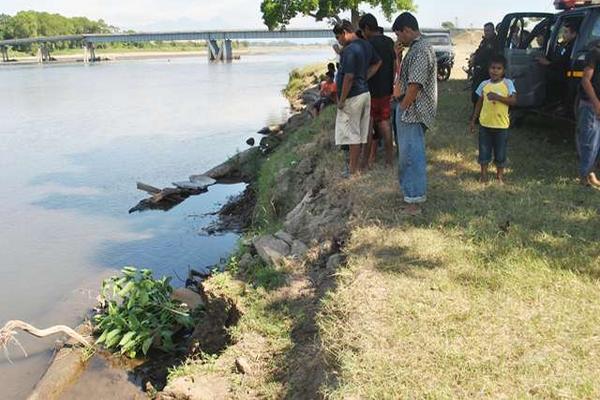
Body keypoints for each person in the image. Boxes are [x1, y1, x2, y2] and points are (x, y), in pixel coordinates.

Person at [393, 12, 438, 215]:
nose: (398, 39)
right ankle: (409, 195)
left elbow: (414, 85)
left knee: (411, 155)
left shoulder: (420, 50)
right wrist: (398, 57)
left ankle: (413, 203)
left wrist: (403, 107)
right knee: (406, 154)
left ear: (408, 30)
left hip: (412, 112)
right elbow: (404, 76)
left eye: (400, 34)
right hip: (409, 110)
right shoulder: (417, 48)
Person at [333, 20, 382, 176]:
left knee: (352, 134)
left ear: (345, 33)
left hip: (352, 97)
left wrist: (341, 100)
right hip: (365, 93)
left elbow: (348, 77)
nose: (338, 41)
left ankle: (353, 170)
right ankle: (362, 165)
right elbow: (378, 62)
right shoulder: (365, 45)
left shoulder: (349, 50)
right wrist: (365, 77)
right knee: (362, 131)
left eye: (338, 37)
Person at [470, 54, 517, 183]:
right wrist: (474, 119)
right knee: (484, 151)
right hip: (485, 125)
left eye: (498, 68)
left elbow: (513, 101)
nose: (495, 71)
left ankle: (499, 176)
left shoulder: (508, 84)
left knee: (500, 153)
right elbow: (479, 103)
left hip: (501, 126)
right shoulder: (484, 84)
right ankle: (483, 175)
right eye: (492, 68)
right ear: (488, 69)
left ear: (504, 70)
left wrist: (498, 97)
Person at [359, 13, 396, 167]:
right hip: (386, 90)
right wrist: (391, 84)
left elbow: (366, 67)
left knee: (368, 125)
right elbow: (395, 64)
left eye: (362, 30)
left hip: (371, 91)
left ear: (367, 28)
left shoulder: (367, 44)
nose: (362, 33)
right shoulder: (389, 41)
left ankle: (364, 163)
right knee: (385, 123)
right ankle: (389, 160)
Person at [576, 41, 600, 187]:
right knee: (589, 143)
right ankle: (584, 175)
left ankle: (590, 173)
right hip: (591, 104)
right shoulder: (595, 53)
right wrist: (596, 103)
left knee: (597, 144)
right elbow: (586, 80)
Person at [537, 21, 578, 103]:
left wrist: (548, 63)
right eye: (563, 32)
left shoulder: (574, 46)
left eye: (566, 32)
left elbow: (564, 62)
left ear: (574, 34)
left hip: (565, 77)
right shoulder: (567, 44)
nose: (563, 35)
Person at [471, 22, 500, 105]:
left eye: (488, 30)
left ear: (493, 30)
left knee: (481, 95)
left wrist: (477, 60)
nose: (486, 32)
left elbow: (491, 58)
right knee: (476, 94)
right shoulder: (484, 41)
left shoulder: (495, 42)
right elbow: (479, 51)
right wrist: (474, 56)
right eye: (485, 31)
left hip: (486, 72)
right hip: (479, 71)